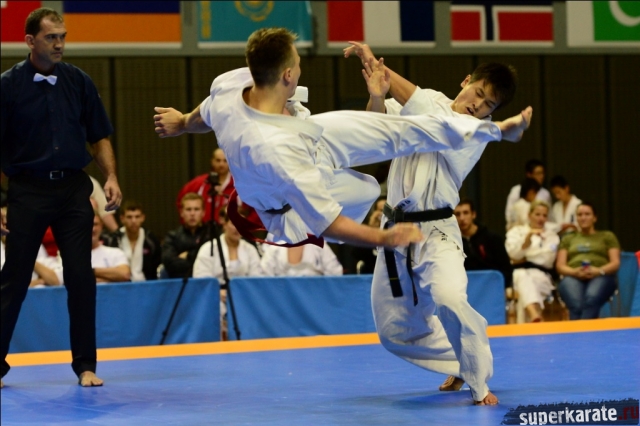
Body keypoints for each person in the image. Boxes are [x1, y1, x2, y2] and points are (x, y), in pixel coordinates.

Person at [154, 28, 531, 252]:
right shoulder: (275, 151)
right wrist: (383, 238)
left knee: (397, 136)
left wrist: (183, 122)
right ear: (287, 76)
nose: (301, 67)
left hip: (310, 135)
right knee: (365, 189)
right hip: (285, 210)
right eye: (298, 63)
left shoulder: (230, 83)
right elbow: (331, 224)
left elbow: (205, 113)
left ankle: (499, 130)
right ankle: (500, 130)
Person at [344, 42, 531, 405]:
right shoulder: (429, 100)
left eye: (489, 104)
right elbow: (376, 128)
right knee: (393, 331)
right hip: (395, 232)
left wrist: (379, 66)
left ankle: (479, 379)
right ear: (465, 81)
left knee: (449, 298)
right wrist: (378, 94)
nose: (478, 105)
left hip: (437, 231)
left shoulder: (475, 131)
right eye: (478, 93)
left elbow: (432, 117)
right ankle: (462, 361)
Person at [0, 7, 122, 388]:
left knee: (81, 277)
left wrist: (111, 176)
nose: (59, 44)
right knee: (15, 278)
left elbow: (99, 136)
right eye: (51, 37)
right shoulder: (8, 86)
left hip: (72, 190)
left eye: (63, 36)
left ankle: (86, 365)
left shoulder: (79, 82)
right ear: (30, 41)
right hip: (27, 191)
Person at [193, 208, 262, 338]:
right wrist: (218, 293)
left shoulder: (250, 250)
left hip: (243, 297)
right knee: (213, 310)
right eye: (233, 223)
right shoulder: (208, 248)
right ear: (224, 224)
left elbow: (256, 280)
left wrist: (239, 294)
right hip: (214, 297)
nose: (238, 228)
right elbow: (201, 280)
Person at [555, 202, 620, 320]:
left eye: (587, 214)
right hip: (573, 275)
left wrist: (598, 271)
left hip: (601, 275)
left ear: (595, 218)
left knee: (591, 298)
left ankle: (579, 330)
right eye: (579, 215)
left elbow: (615, 263)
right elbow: (560, 265)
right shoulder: (568, 238)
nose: (583, 218)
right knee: (576, 303)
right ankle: (585, 330)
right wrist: (574, 272)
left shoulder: (607, 236)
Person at [505, 201, 559, 323]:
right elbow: (511, 255)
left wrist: (523, 255)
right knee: (522, 275)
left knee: (523, 296)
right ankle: (534, 315)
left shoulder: (552, 236)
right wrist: (526, 242)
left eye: (544, 215)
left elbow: (547, 259)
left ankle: (531, 316)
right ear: (529, 215)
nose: (541, 218)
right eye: (537, 214)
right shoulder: (516, 232)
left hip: (541, 275)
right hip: (517, 274)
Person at [454, 199, 513, 288]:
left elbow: (506, 270)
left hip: (492, 288)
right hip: (465, 289)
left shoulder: (492, 239)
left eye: (466, 213)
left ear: (473, 214)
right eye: (458, 214)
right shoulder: (451, 243)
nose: (462, 218)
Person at [176, 148, 235, 226]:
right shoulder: (199, 183)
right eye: (218, 160)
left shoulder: (238, 185)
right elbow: (181, 201)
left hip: (228, 231)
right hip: (201, 229)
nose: (221, 164)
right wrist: (187, 224)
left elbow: (249, 209)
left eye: (225, 161)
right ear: (212, 161)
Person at [105, 201, 161, 282]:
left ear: (143, 218)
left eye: (137, 217)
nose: (133, 221)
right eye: (129, 217)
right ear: (122, 218)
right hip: (120, 284)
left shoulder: (151, 240)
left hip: (146, 284)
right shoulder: (114, 239)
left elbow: (156, 266)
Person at [162, 193, 211, 279]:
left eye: (196, 209)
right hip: (179, 281)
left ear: (203, 212)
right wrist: (200, 261)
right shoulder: (172, 236)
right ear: (181, 213)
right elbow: (170, 264)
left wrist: (189, 255)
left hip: (205, 281)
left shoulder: (211, 234)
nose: (192, 213)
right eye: (188, 209)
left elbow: (213, 262)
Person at [504, 159, 551, 224]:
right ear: (529, 174)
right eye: (538, 173)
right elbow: (509, 214)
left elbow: (549, 215)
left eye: (543, 173)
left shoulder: (545, 193)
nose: (541, 176)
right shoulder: (516, 190)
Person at [261, 243, 343, 277]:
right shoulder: (274, 249)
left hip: (316, 301)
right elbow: (262, 281)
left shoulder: (319, 246)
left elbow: (336, 275)